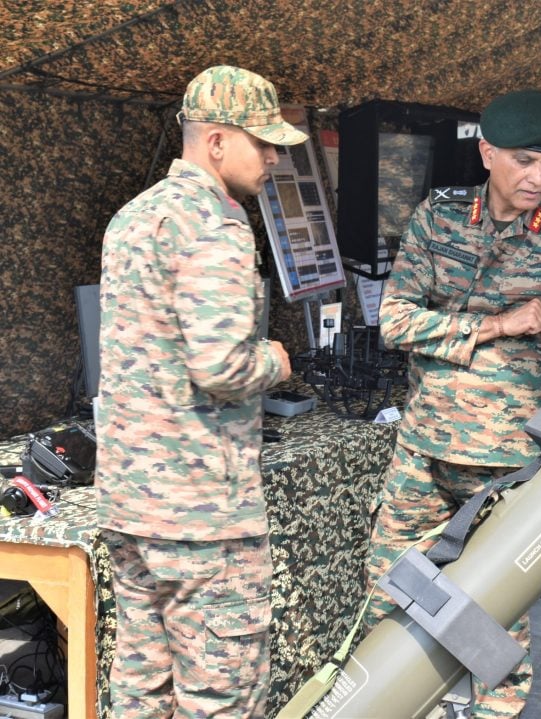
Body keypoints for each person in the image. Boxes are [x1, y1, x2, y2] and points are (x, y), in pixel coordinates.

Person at [365, 89, 541, 718]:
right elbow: (395, 321)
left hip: (505, 460)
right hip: (423, 447)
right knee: (389, 585)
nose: (538, 177)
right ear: (485, 152)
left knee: (494, 605)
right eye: (523, 161)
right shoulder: (439, 216)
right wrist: (497, 326)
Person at [96, 65, 298, 717]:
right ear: (215, 142)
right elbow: (220, 365)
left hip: (131, 503)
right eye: (261, 141)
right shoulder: (216, 221)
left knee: (141, 681)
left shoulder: (131, 218)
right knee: (221, 691)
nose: (273, 156)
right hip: (202, 518)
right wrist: (275, 358)